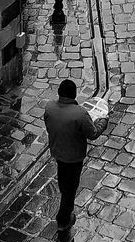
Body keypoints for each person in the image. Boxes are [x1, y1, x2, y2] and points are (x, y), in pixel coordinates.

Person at [43, 76, 106, 230]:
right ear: (75, 95)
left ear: (59, 92)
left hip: (58, 152)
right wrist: (103, 121)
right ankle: (63, 220)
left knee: (64, 181)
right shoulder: (80, 114)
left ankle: (64, 202)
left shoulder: (50, 107)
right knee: (71, 188)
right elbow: (92, 133)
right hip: (74, 157)